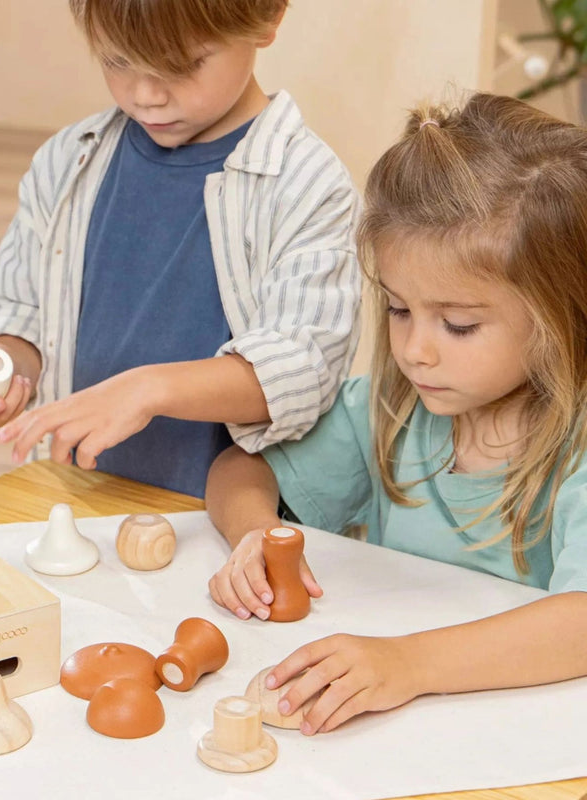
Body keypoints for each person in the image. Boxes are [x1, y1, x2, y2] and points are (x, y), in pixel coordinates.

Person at [205, 92, 587, 734]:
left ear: (563, 316)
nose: (414, 351)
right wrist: (254, 534)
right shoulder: (392, 410)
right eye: (399, 309)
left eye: (459, 325)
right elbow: (240, 470)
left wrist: (407, 664)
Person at [0, 0, 361, 499]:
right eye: (117, 61)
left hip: (223, 521)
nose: (145, 96)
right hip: (78, 495)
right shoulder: (67, 161)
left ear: (268, 18)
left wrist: (149, 390)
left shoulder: (308, 186)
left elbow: (301, 369)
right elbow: (22, 311)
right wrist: (10, 368)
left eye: (180, 65)